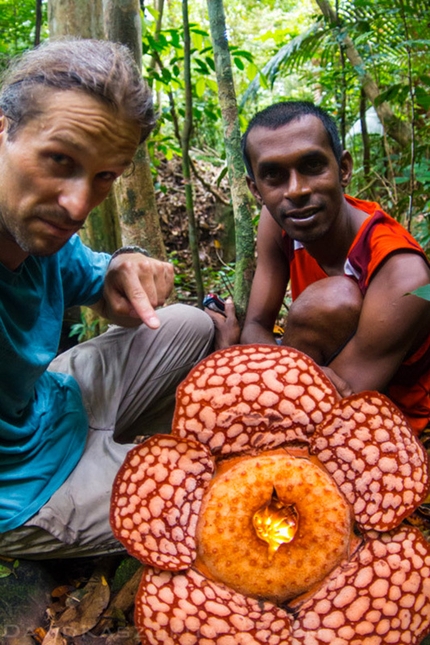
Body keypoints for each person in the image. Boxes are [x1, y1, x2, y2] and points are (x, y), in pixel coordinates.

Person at [0, 38, 214, 559]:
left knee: (192, 324)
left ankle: (120, 447)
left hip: (50, 408)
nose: (77, 205)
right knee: (218, 499)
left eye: (103, 178)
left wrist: (123, 263)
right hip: (24, 491)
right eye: (58, 159)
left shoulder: (42, 232)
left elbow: (97, 276)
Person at [213, 100, 430, 436]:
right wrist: (283, 366)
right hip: (317, 385)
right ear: (256, 190)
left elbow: (332, 410)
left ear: (343, 169)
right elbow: (256, 323)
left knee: (332, 300)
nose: (296, 191)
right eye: (274, 176)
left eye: (313, 166)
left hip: (393, 419)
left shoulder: (403, 275)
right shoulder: (277, 221)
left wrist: (237, 359)